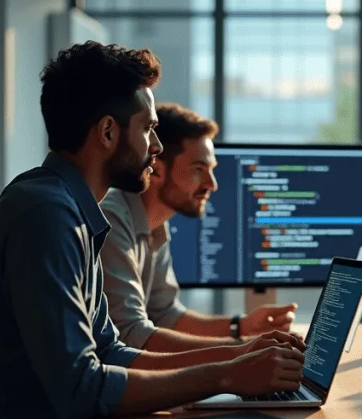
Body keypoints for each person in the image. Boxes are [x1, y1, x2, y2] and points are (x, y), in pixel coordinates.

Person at [0, 42, 305, 419]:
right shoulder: (46, 217)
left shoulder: (70, 211)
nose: (157, 147)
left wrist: (234, 365)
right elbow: (82, 388)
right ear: (107, 131)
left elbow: (111, 350)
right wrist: (226, 376)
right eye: (148, 129)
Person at [100, 102, 298, 352]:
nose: (212, 184)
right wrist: (245, 351)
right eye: (199, 169)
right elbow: (131, 334)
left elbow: (165, 316)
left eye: (211, 170)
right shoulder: (112, 220)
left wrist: (242, 327)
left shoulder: (155, 227)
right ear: (156, 169)